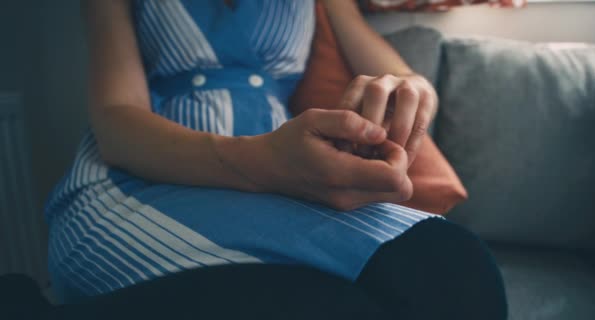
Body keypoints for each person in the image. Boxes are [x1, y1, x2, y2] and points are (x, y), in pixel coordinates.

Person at [42, 0, 507, 318]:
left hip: (278, 188)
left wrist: (411, 92)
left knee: (453, 268)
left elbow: (398, 73)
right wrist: (264, 160)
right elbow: (115, 126)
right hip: (132, 182)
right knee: (308, 304)